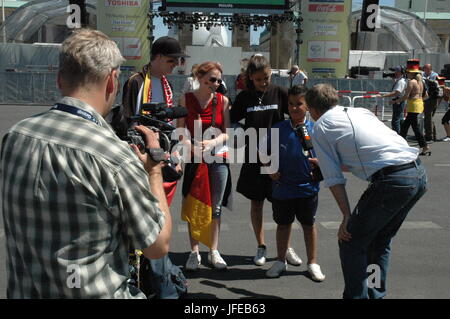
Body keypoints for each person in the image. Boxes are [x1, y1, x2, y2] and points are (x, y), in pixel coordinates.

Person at [0, 29, 172, 298]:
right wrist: (154, 171)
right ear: (112, 81)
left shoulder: (15, 136)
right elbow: (157, 245)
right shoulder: (113, 156)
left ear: (59, 79)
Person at [306, 83, 428, 299]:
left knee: (350, 240)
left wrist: (346, 216)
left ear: (312, 109)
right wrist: (327, 163)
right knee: (379, 241)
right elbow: (370, 152)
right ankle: (375, 294)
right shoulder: (359, 111)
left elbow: (334, 179)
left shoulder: (320, 127)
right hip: (416, 173)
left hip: (392, 181)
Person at [230, 54, 302, 267]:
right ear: (251, 77)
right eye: (260, 79)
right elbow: (233, 121)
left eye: (267, 78)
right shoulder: (244, 98)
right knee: (257, 203)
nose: (264, 82)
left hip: (278, 156)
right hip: (254, 157)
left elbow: (297, 110)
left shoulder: (280, 92)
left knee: (284, 205)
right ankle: (261, 246)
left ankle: (286, 247)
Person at [258, 86, 325, 281]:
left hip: (308, 188)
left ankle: (312, 262)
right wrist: (270, 170)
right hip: (283, 188)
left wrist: (321, 164)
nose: (294, 108)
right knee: (283, 224)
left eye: (299, 104)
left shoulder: (318, 129)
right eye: (291, 104)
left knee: (308, 224)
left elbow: (329, 155)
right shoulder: (278, 129)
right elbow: (262, 151)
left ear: (308, 106)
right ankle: (280, 260)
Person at [177, 61, 232, 271]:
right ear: (200, 78)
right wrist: (191, 147)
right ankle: (194, 251)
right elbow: (180, 130)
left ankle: (214, 250)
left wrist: (213, 142)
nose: (216, 84)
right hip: (194, 158)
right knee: (194, 204)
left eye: (219, 80)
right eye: (212, 79)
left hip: (218, 158)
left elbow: (227, 132)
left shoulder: (223, 101)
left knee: (215, 207)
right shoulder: (186, 99)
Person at [122, 36, 189, 206]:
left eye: (177, 60)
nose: (175, 64)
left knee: (161, 204)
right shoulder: (136, 82)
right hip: (142, 155)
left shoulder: (168, 86)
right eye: (171, 60)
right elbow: (129, 121)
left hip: (163, 152)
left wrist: (175, 156)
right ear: (158, 57)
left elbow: (168, 125)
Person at [397, 59, 431, 156]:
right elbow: (426, 95)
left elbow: (406, 96)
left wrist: (396, 101)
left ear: (411, 73)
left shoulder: (411, 82)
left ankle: (423, 146)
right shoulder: (421, 82)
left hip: (413, 106)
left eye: (407, 72)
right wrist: (417, 98)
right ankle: (422, 146)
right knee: (407, 127)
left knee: (410, 127)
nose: (406, 74)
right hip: (419, 105)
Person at [376, 66, 407, 134]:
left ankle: (397, 136)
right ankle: (402, 135)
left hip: (398, 101)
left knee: (395, 121)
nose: (395, 72)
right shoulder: (399, 80)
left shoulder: (401, 82)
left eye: (397, 71)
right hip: (398, 101)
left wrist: (383, 96)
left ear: (400, 72)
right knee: (400, 119)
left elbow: (396, 92)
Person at [422, 63, 441, 141]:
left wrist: (438, 101)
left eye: (425, 68)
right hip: (426, 98)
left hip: (432, 99)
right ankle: (433, 135)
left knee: (428, 117)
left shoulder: (435, 75)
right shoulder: (423, 74)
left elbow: (439, 88)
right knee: (429, 117)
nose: (424, 70)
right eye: (424, 68)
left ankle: (429, 136)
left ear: (430, 69)